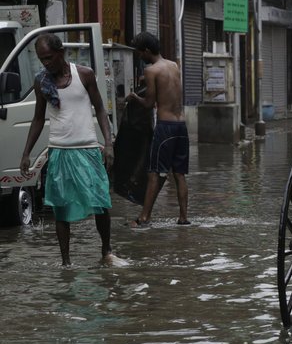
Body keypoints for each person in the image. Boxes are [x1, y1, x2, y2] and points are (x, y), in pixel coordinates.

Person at [19, 33, 117, 266]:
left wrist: (108, 143)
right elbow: (38, 119)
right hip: (59, 151)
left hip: (87, 150)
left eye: (49, 58)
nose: (46, 63)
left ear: (60, 53)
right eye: (42, 59)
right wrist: (26, 153)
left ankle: (106, 252)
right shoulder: (42, 82)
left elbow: (100, 109)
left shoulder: (84, 75)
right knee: (60, 209)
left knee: (100, 202)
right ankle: (66, 264)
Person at [126, 31, 190, 227]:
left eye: (139, 52)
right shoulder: (174, 65)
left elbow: (149, 103)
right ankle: (183, 218)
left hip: (165, 128)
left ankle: (144, 218)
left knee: (154, 173)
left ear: (146, 51)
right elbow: (168, 89)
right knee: (179, 174)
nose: (139, 56)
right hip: (181, 126)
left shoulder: (151, 70)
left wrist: (134, 97)